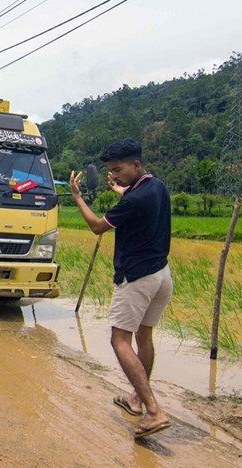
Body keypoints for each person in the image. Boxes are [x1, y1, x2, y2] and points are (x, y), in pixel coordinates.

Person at [68, 139, 173, 439]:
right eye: (110, 171)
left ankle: (153, 410)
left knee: (119, 340)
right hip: (162, 275)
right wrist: (121, 189)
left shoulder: (132, 201)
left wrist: (77, 197)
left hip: (136, 278)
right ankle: (137, 399)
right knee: (144, 336)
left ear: (136, 165)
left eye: (118, 170)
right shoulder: (156, 187)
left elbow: (97, 226)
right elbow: (134, 196)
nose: (114, 176)